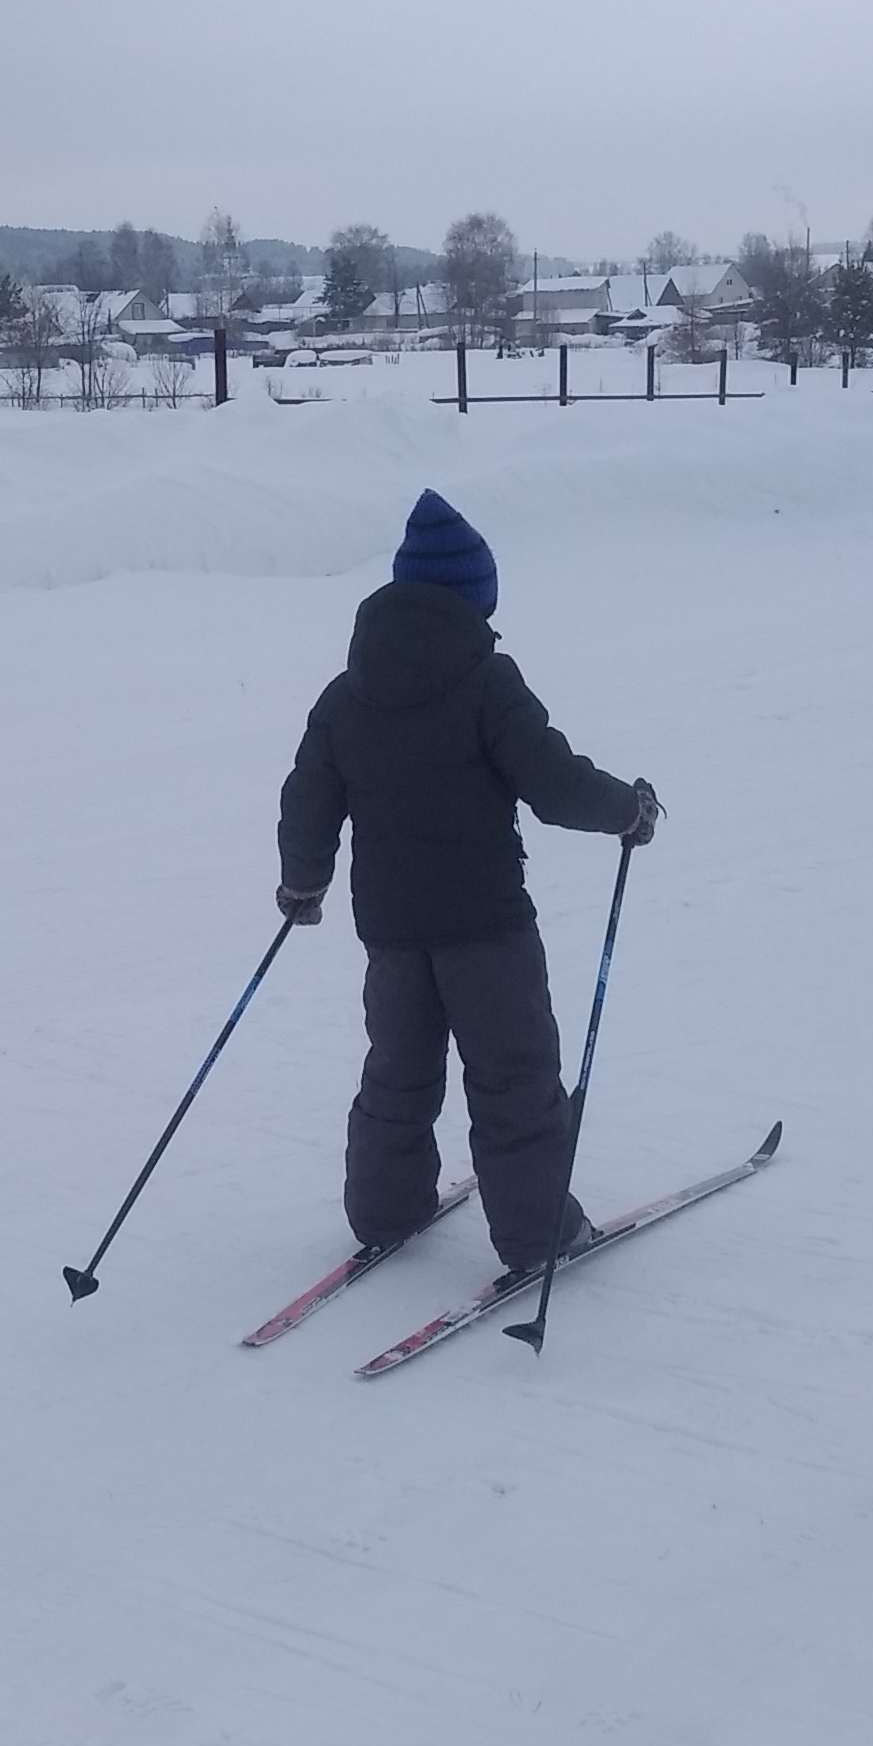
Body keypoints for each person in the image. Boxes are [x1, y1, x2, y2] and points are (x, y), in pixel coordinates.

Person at [276, 489, 658, 1272]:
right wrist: (629, 812)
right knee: (514, 1079)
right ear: (472, 599)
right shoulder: (488, 680)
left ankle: (386, 1209)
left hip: (392, 932)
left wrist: (303, 883)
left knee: (398, 1072)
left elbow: (308, 797)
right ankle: (538, 1234)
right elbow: (553, 783)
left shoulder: (346, 696)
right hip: (487, 928)